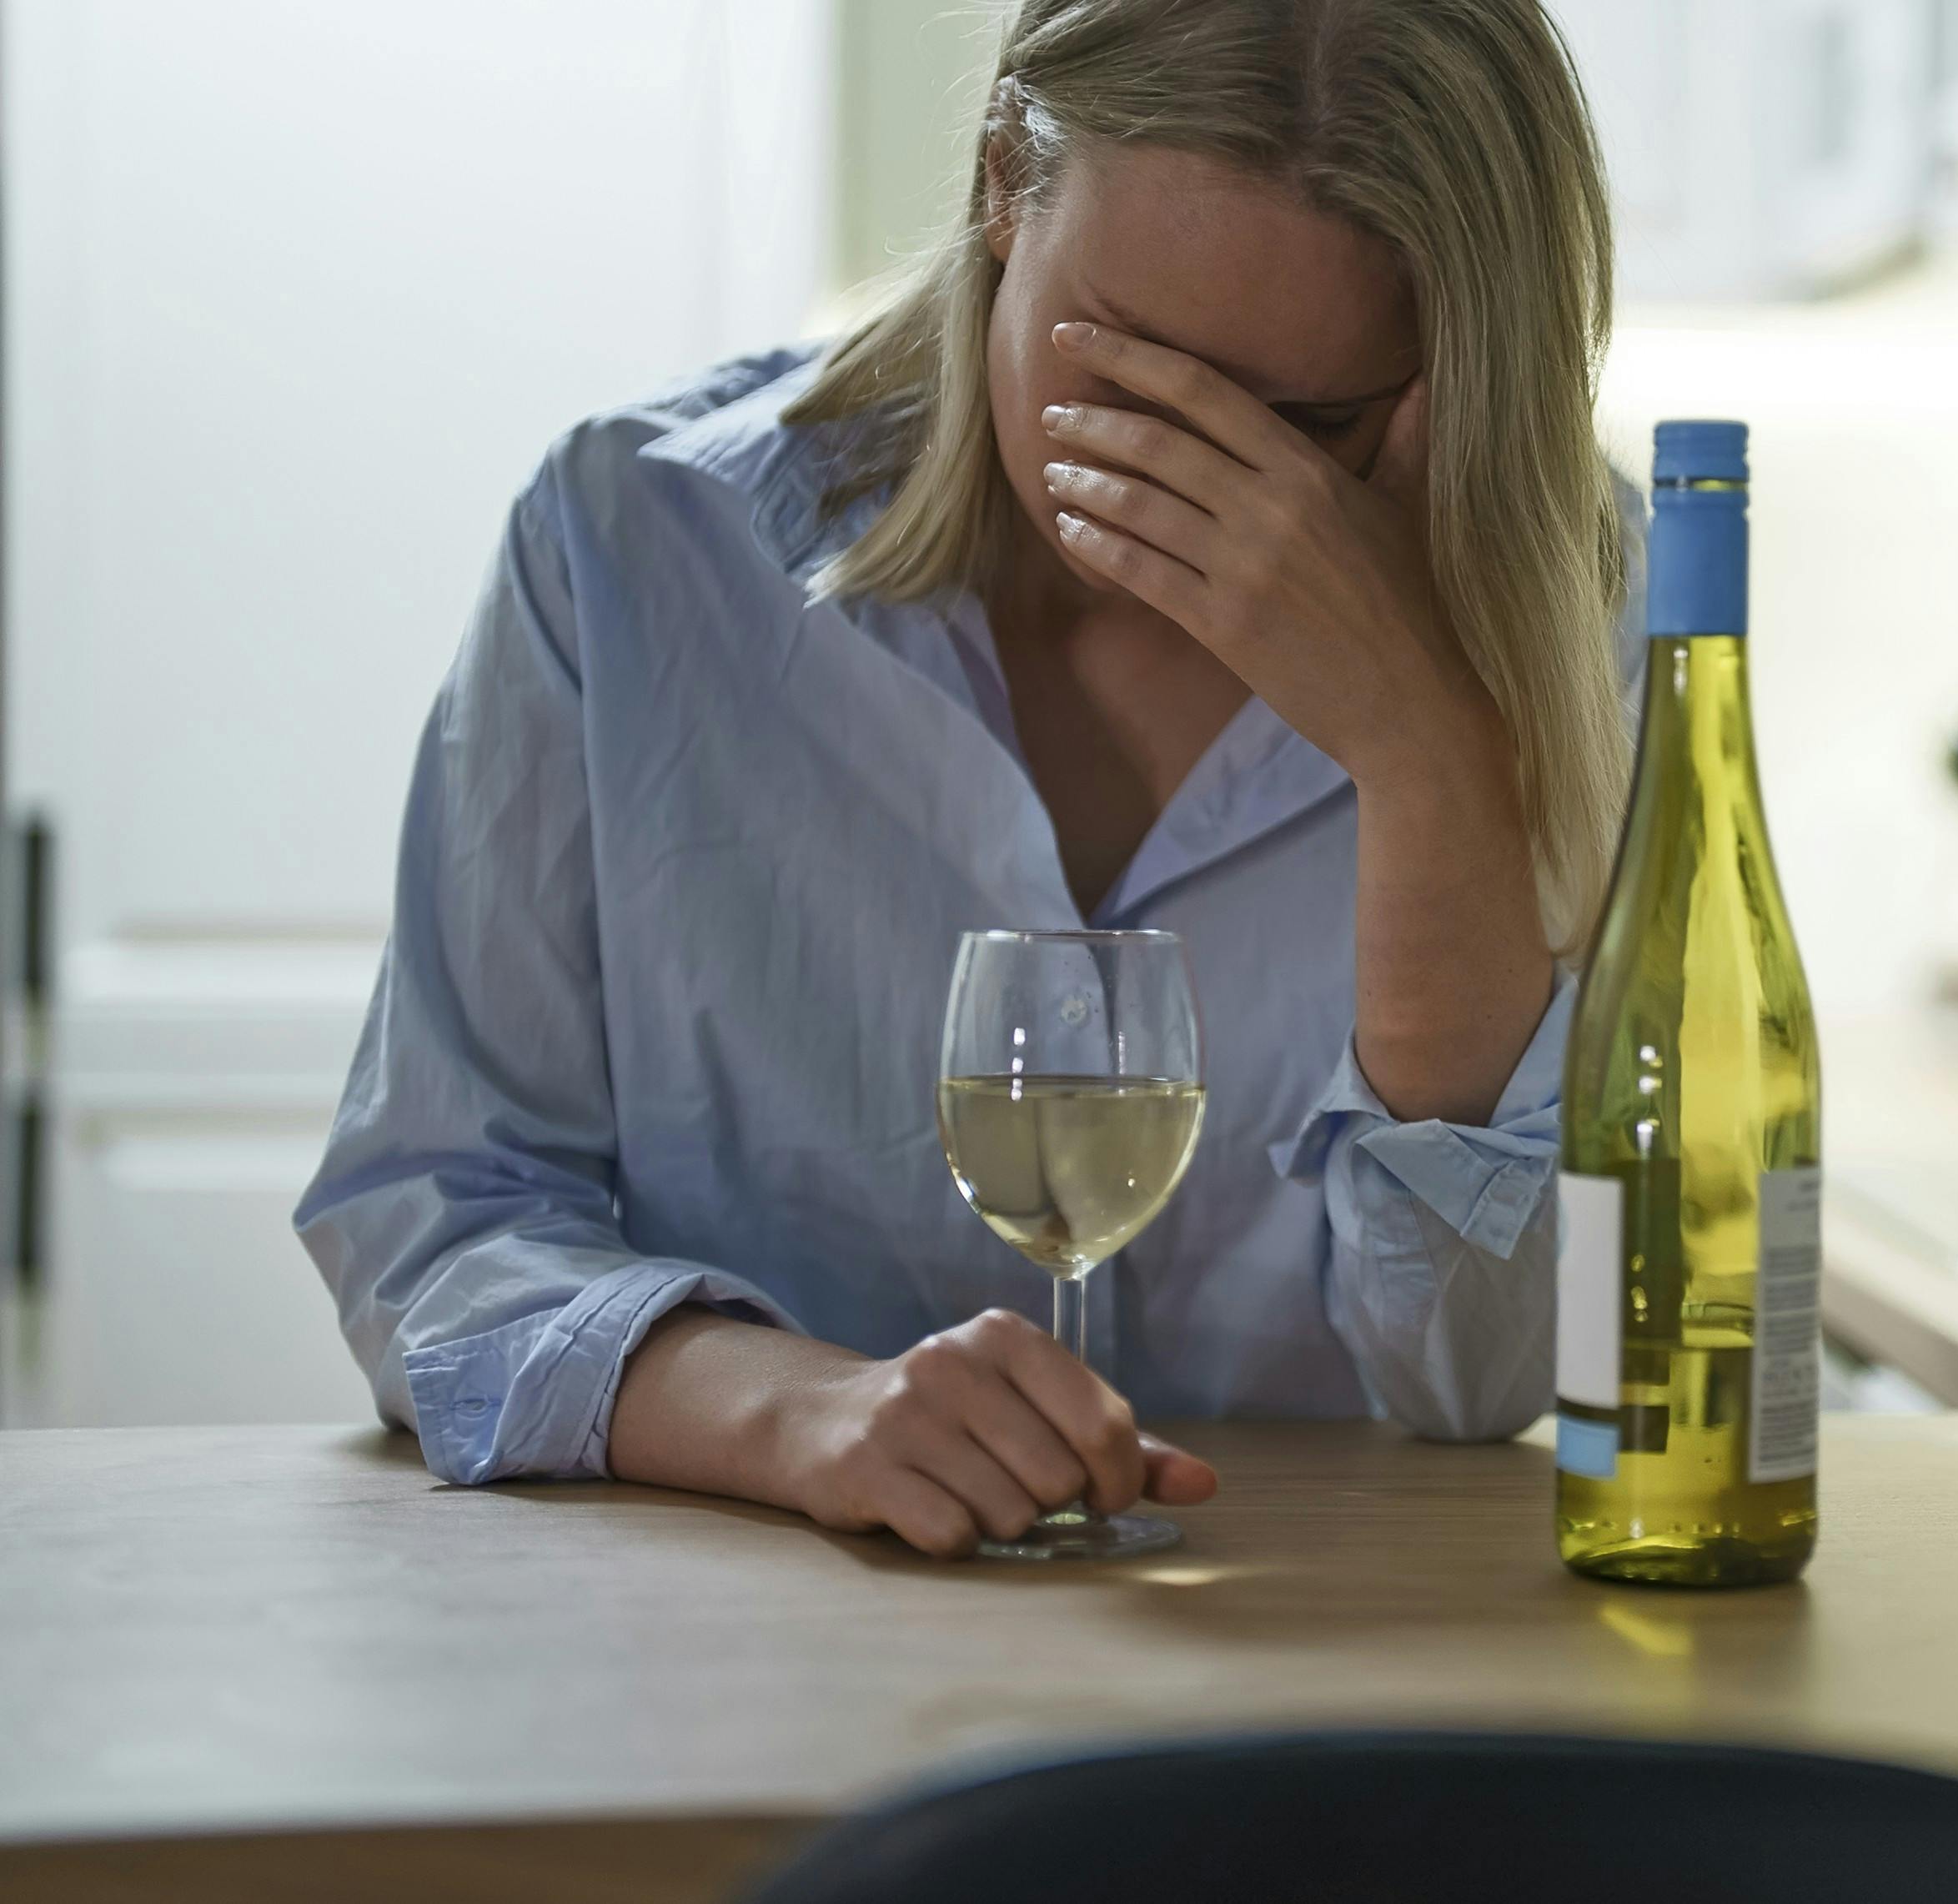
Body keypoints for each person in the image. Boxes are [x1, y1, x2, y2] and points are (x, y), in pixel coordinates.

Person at [295, 0, 1629, 1558]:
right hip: (749, 1641)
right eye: (1128, 367)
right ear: (1005, 175)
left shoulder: (1579, 608)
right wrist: (798, 1412)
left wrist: (1428, 756)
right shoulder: (630, 543)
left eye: (1304, 429)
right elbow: (436, 1234)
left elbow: (1480, 1386)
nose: (1188, 480)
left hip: (1330, 1641)